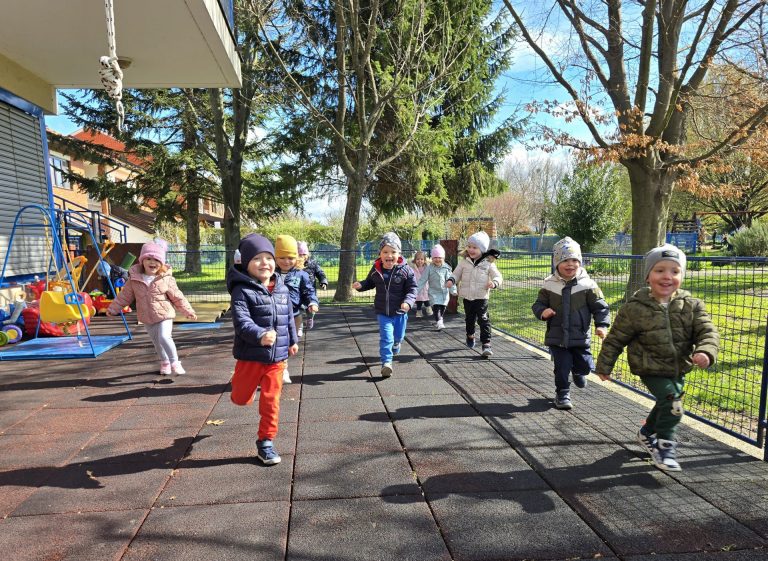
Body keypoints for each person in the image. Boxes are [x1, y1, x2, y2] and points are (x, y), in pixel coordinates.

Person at [595, 244, 720, 472]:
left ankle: (645, 433)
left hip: (678, 367)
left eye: (674, 271)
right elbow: (615, 339)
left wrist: (705, 351)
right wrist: (605, 365)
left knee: (668, 402)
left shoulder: (691, 306)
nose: (667, 276)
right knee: (674, 404)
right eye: (660, 270)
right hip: (649, 366)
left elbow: (707, 332)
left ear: (682, 275)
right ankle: (665, 446)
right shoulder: (634, 308)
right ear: (648, 276)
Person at [227, 233, 299, 465]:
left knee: (271, 400)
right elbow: (242, 322)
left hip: (276, 359)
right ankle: (244, 392)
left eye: (268, 257)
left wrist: (292, 341)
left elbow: (288, 317)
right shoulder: (241, 291)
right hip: (250, 357)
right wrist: (259, 335)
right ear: (245, 263)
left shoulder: (281, 288)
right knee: (239, 398)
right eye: (257, 258)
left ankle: (266, 442)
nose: (264, 263)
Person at [532, 237, 610, 410]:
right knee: (561, 368)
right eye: (565, 260)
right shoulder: (549, 284)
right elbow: (538, 304)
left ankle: (579, 371)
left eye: (575, 260)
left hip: (580, 336)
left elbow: (600, 307)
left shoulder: (588, 285)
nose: (570, 264)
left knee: (584, 364)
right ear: (556, 262)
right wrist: (542, 312)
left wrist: (602, 325)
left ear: (580, 262)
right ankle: (562, 393)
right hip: (557, 337)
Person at [107, 239, 197, 375]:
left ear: (161, 263)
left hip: (164, 314)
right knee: (156, 341)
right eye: (148, 258)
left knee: (164, 337)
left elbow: (177, 296)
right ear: (142, 260)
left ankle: (174, 361)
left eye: (156, 260)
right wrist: (113, 309)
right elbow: (124, 296)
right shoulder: (135, 279)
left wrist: (188, 311)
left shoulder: (165, 278)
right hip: (147, 317)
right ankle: (164, 362)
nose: (152, 262)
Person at [352, 232, 417, 378]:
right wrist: (360, 285)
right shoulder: (376, 269)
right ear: (380, 254)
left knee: (398, 336)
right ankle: (386, 363)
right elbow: (370, 282)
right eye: (385, 252)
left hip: (400, 312)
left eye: (393, 252)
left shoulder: (406, 270)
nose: (389, 255)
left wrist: (407, 302)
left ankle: (397, 343)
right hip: (383, 312)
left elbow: (412, 289)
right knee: (386, 337)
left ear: (399, 254)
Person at [446, 231, 502, 358]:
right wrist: (451, 280)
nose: (471, 250)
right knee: (470, 319)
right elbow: (456, 274)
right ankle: (470, 335)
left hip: (481, 297)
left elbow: (498, 276)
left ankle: (486, 344)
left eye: (475, 247)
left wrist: (494, 283)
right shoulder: (464, 262)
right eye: (469, 246)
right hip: (467, 297)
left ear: (482, 249)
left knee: (483, 319)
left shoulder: (488, 264)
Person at [275, 235, 318, 384]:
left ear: (297, 257)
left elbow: (308, 291)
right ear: (275, 257)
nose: (286, 262)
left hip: (291, 315)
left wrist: (312, 302)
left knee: (285, 343)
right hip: (272, 315)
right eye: (282, 257)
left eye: (290, 258)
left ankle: (283, 369)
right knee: (272, 344)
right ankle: (270, 370)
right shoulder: (270, 274)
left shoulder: (301, 275)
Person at [415, 244, 455, 330]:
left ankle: (439, 319)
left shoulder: (446, 268)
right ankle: (439, 322)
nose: (437, 259)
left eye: (439, 257)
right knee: (436, 307)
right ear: (432, 258)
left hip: (444, 292)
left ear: (443, 258)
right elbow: (422, 280)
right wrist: (416, 291)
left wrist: (453, 290)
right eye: (435, 257)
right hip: (433, 292)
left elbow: (451, 280)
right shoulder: (429, 268)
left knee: (443, 307)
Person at [297, 241, 328, 330]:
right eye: (299, 255)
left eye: (304, 255)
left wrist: (323, 281)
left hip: (310, 290)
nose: (302, 257)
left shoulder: (312, 263)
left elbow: (320, 273)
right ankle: (299, 325)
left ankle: (310, 318)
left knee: (310, 308)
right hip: (297, 290)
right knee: (298, 308)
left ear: (307, 255)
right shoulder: (294, 265)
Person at [410, 250, 431, 318]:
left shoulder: (427, 268)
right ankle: (419, 311)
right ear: (415, 260)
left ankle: (428, 308)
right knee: (418, 300)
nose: (420, 261)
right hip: (417, 286)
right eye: (418, 259)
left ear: (424, 260)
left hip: (425, 286)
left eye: (422, 259)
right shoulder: (413, 268)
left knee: (426, 299)